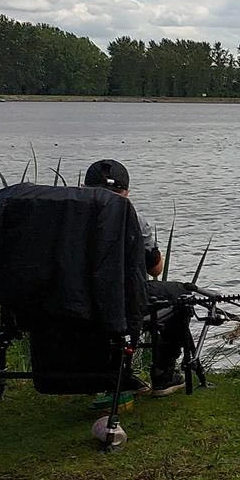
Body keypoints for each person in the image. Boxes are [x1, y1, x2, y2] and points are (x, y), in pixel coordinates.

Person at [83, 159, 192, 396]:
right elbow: (155, 270)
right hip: (119, 302)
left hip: (68, 300)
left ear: (83, 188)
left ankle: (109, 370)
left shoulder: (64, 220)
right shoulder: (133, 219)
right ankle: (163, 374)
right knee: (182, 295)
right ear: (126, 193)